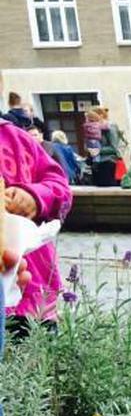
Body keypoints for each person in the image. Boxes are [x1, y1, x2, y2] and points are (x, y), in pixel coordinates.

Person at [1, 114, 71, 327]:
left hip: (34, 289)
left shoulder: (14, 137)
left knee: (38, 341)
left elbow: (60, 187)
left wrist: (36, 197)